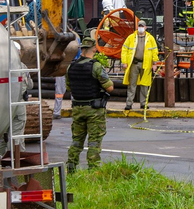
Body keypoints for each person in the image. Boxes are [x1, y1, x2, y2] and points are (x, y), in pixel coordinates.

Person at [66, 37, 114, 173]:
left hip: (77, 109)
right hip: (94, 109)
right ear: (94, 49)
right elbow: (109, 88)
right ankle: (93, 170)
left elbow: (69, 88)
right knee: (94, 141)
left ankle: (70, 168)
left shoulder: (71, 66)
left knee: (76, 140)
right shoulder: (96, 66)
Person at [0, 42, 32, 164]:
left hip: (2, 107)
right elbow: (30, 84)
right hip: (17, 107)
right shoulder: (22, 67)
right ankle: (18, 162)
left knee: (2, 137)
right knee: (16, 137)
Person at [121, 19, 159, 110]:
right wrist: (124, 62)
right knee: (132, 84)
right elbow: (124, 50)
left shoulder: (150, 39)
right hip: (134, 63)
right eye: (139, 26)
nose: (141, 28)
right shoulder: (131, 38)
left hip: (145, 64)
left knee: (145, 85)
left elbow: (154, 51)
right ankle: (129, 103)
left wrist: (154, 63)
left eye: (142, 26)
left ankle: (143, 103)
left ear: (145, 27)